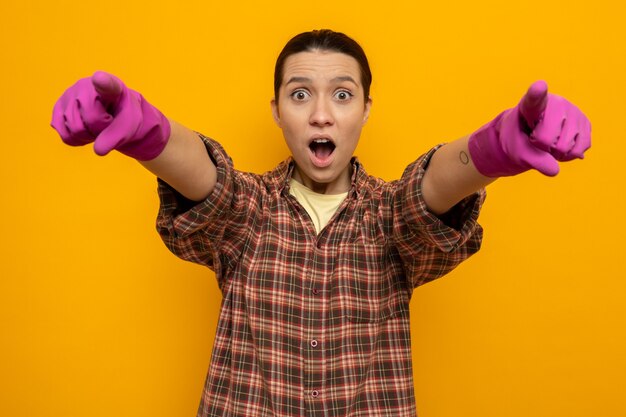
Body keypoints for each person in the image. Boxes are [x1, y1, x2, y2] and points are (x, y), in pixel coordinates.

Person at [51, 29, 590, 417]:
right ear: (277, 110)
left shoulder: (387, 216)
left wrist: (490, 151)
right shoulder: (250, 209)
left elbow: (429, 194)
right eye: (300, 94)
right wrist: (148, 133)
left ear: (365, 110)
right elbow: (206, 179)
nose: (321, 115)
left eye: (342, 95)